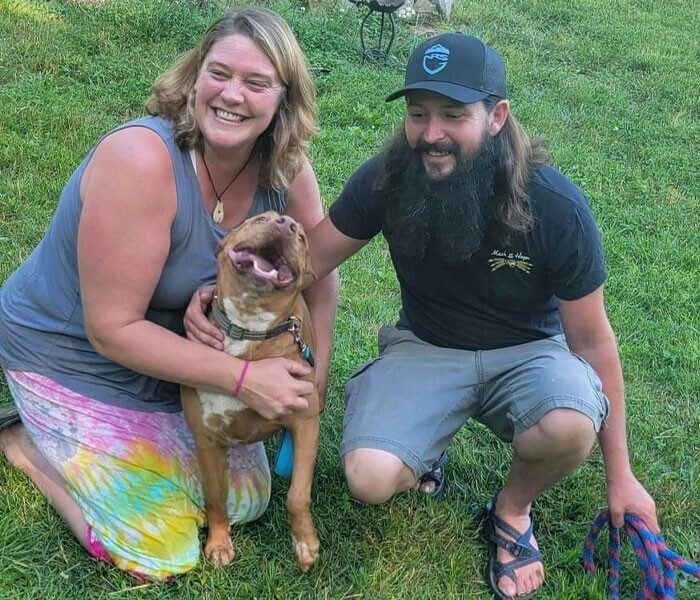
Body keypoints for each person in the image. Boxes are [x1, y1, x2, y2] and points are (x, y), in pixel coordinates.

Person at [188, 32, 658, 598]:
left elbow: (592, 342)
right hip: (426, 347)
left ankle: (512, 510)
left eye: (453, 115)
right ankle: (423, 450)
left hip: (528, 354)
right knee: (368, 477)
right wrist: (218, 293)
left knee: (569, 423)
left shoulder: (554, 207)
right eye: (418, 114)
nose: (432, 134)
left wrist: (620, 475)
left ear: (497, 117)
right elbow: (307, 265)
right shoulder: (388, 178)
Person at [0, 7, 338, 580]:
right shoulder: (141, 159)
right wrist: (244, 379)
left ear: (284, 98)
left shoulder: (284, 168)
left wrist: (316, 374)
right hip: (74, 354)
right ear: (195, 75)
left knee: (246, 500)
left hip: (173, 360)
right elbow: (111, 329)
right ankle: (21, 442)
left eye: (257, 83)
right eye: (219, 73)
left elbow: (320, 271)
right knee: (160, 549)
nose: (232, 95)